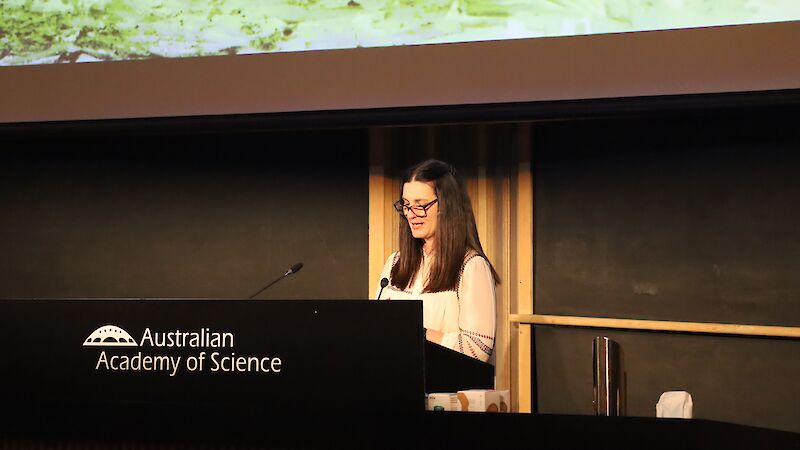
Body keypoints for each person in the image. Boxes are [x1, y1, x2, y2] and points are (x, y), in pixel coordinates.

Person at [375, 159, 500, 363]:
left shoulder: (470, 266)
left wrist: (416, 332)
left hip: (443, 390)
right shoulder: (394, 262)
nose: (411, 215)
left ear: (446, 206)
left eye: (421, 205)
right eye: (406, 205)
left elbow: (478, 350)